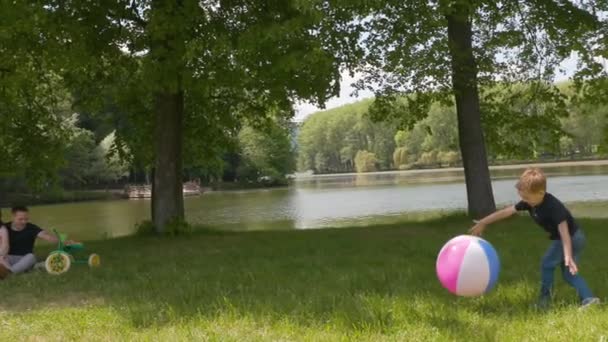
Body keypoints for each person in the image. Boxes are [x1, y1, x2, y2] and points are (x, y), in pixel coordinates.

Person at [469, 167, 600, 309]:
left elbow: (564, 232)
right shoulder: (530, 202)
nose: (524, 201)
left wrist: (568, 255)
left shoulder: (553, 206)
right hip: (574, 238)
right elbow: (506, 212)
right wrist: (483, 222)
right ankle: (589, 299)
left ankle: (544, 301)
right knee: (569, 275)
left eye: (527, 197)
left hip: (571, 239)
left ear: (541, 193)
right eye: (522, 197)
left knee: (547, 264)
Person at [0, 206, 77, 278]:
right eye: (20, 219)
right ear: (13, 217)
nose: (24, 222)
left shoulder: (31, 228)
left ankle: (10, 273)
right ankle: (16, 271)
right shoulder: (5, 228)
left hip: (25, 258)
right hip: (9, 258)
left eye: (26, 219)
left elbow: (47, 237)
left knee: (31, 257)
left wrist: (64, 242)